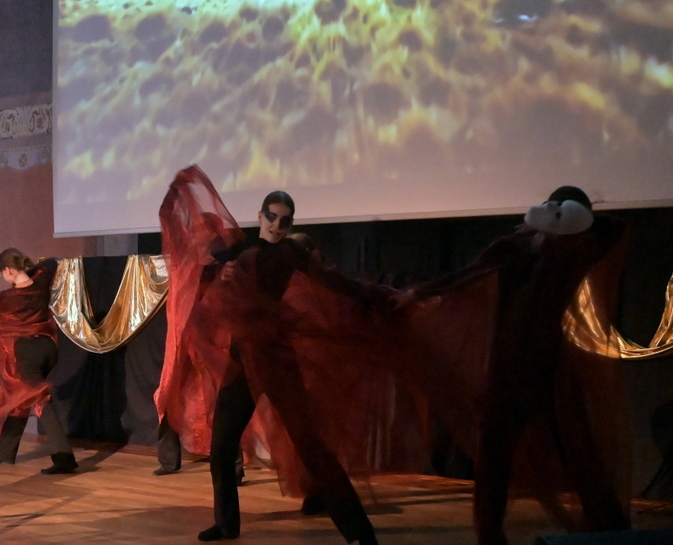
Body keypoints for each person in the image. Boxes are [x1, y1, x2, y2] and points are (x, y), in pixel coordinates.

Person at [160, 167, 384, 545]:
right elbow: (207, 270)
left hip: (274, 359)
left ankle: (360, 533)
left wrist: (374, 296)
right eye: (272, 216)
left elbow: (332, 280)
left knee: (309, 445)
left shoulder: (290, 253)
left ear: (291, 224)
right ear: (260, 215)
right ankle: (227, 524)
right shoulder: (240, 252)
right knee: (221, 447)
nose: (278, 225)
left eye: (285, 220)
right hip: (241, 361)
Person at [405, 187, 631, 545]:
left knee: (557, 455)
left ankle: (606, 531)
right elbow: (465, 278)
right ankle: (497, 536)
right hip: (521, 371)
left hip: (538, 372)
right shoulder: (528, 249)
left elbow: (612, 228)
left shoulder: (569, 250)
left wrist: (547, 223)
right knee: (505, 461)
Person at [0, 248, 77, 475]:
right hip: (48, 348)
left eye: (2, 273)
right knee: (22, 396)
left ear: (8, 270)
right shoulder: (41, 283)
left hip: (28, 351)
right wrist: (29, 271)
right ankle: (4, 450)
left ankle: (64, 457)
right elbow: (50, 262)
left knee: (39, 399)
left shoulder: (6, 298)